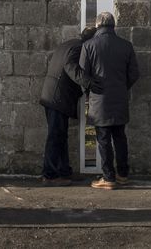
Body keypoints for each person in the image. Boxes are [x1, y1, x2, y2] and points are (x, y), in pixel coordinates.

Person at [79, 11, 139, 189]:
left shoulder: (89, 45)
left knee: (103, 139)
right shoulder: (126, 45)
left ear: (97, 25)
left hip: (99, 100)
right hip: (120, 98)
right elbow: (134, 74)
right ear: (113, 25)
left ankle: (108, 177)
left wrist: (89, 91)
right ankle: (123, 174)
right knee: (120, 138)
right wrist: (122, 87)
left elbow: (83, 75)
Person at [38, 26, 97, 186]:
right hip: (58, 97)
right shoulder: (79, 48)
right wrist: (90, 83)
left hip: (53, 95)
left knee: (60, 136)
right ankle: (49, 175)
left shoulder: (69, 44)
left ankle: (64, 172)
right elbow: (70, 67)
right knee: (55, 136)